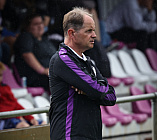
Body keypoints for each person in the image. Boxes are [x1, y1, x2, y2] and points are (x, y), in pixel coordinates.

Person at [49, 7, 116, 140]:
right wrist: (94, 90)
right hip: (70, 135)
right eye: (89, 31)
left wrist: (90, 90)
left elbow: (111, 97)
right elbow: (97, 90)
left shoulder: (89, 62)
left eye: (94, 30)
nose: (94, 35)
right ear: (72, 33)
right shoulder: (62, 59)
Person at [14, 13, 57, 91]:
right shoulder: (26, 37)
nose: (40, 26)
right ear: (27, 27)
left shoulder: (45, 39)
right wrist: (43, 70)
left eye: (41, 23)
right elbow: (27, 54)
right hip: (36, 77)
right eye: (36, 24)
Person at [0, 62, 46, 130]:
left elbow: (16, 105)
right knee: (24, 126)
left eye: (0, 75)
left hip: (15, 118)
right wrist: (18, 117)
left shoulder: (6, 88)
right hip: (5, 120)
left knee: (41, 123)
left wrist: (30, 118)